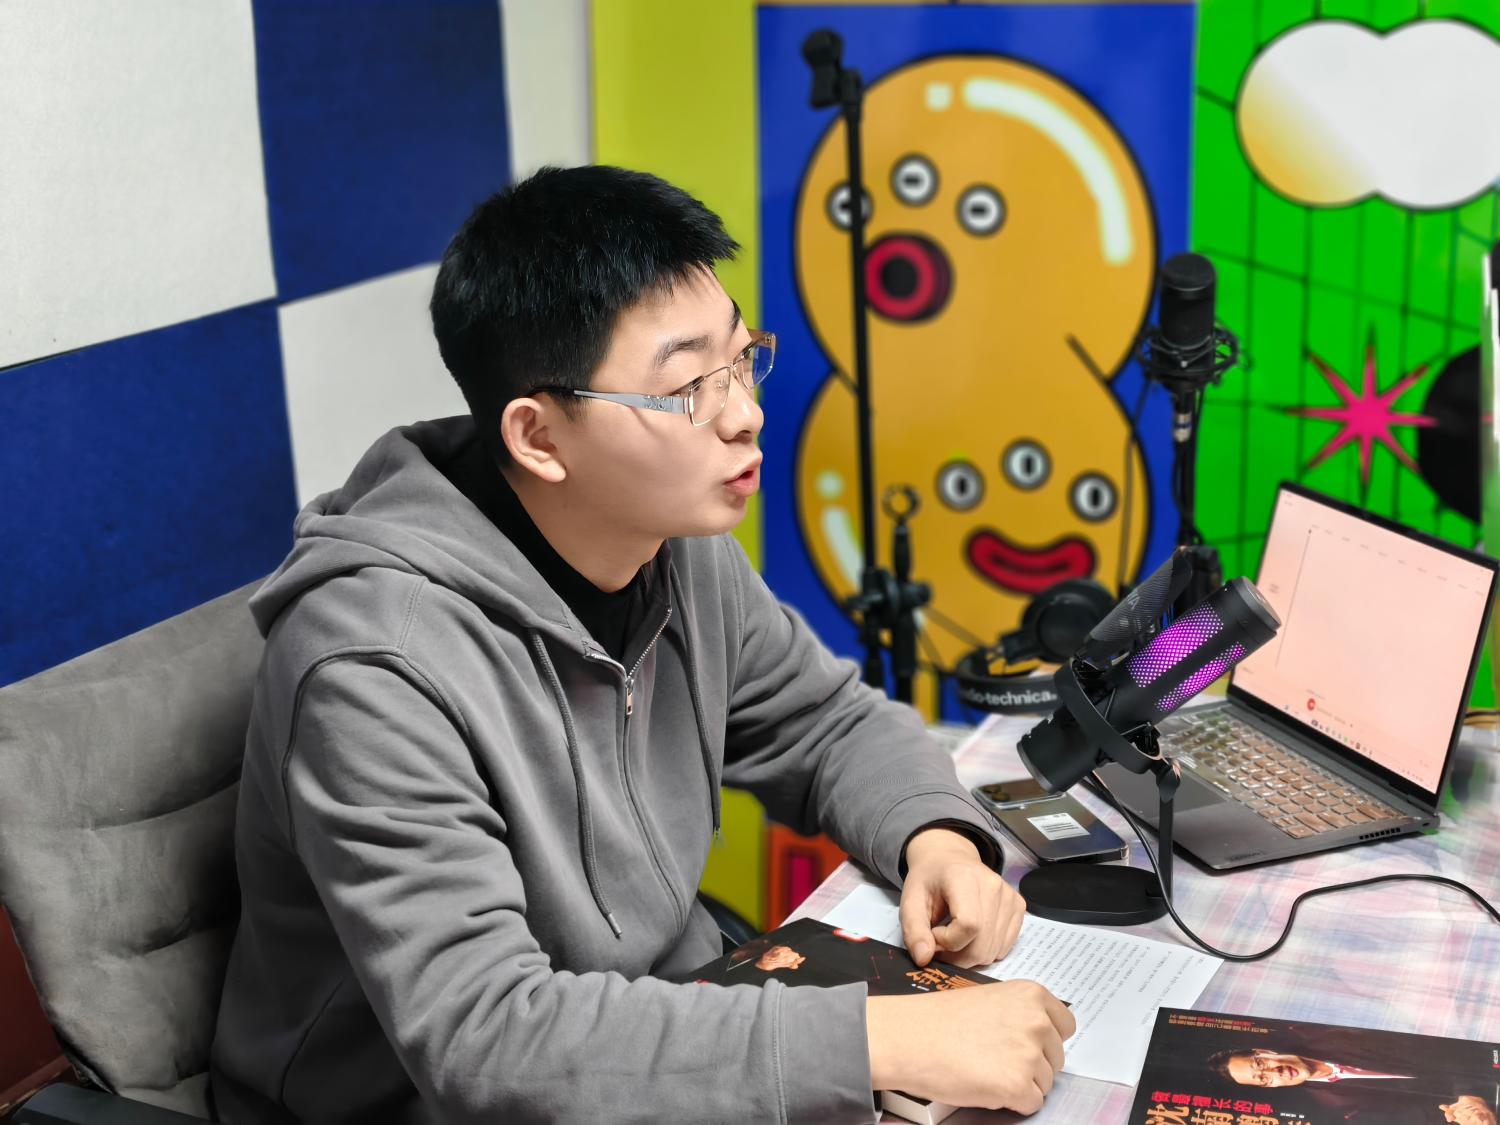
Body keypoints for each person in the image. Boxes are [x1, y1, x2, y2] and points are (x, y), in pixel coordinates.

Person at [209, 164, 1074, 1123]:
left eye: (742, 358)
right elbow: (486, 1042)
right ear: (540, 437)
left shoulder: (669, 542)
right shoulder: (375, 668)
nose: (744, 412)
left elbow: (825, 721)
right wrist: (878, 1041)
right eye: (689, 386)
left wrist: (936, 837)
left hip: (669, 1024)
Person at [1210, 1045, 1497, 1124]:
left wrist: (1470, 1094)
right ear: (1269, 1089)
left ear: (1264, 1051)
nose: (1274, 1072)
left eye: (1260, 1063)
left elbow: (1445, 1050)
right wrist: (1468, 1115)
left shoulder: (1335, 1036)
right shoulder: (1338, 1111)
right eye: (1264, 1079)